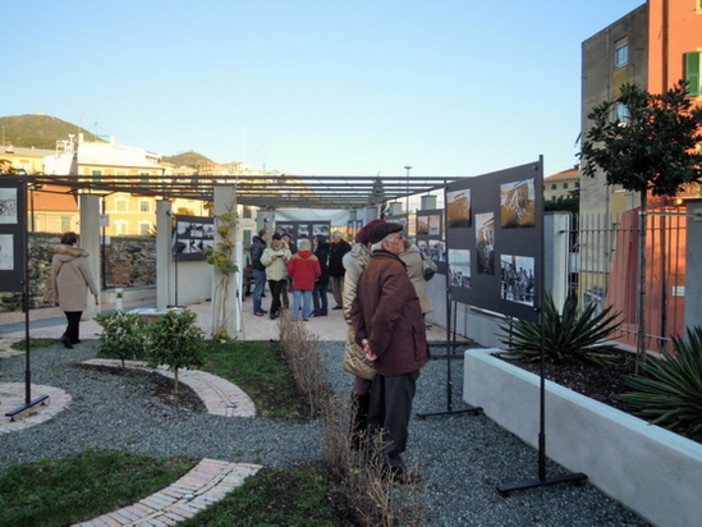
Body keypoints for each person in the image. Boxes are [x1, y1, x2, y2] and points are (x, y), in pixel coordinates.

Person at [350, 222, 430, 483]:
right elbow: (387, 314)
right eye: (399, 237)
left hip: (385, 352)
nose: (404, 242)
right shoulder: (393, 268)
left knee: (379, 407)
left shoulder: (371, 268)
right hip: (399, 353)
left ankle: (375, 457)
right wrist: (374, 345)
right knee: (396, 411)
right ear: (386, 243)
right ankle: (391, 468)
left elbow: (356, 311)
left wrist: (365, 341)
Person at [342, 219, 384, 447]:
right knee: (364, 381)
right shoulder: (355, 262)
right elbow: (349, 304)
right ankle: (357, 435)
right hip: (364, 333)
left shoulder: (384, 259)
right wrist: (363, 333)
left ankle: (374, 433)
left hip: (382, 331)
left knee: (379, 382)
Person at [50, 232, 99, 349]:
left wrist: (55, 290)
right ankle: (66, 336)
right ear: (74, 242)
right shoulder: (80, 257)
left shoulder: (56, 257)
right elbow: (88, 275)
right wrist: (94, 291)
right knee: (76, 314)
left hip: (63, 288)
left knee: (70, 314)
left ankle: (74, 338)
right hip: (78, 289)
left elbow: (53, 275)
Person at [399, 241, 438, 316]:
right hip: (421, 292)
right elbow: (434, 267)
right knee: (420, 321)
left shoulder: (399, 258)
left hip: (406, 294)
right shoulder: (418, 253)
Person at [286, 238, 320, 321]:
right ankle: (305, 316)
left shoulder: (294, 257)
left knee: (296, 299)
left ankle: (295, 316)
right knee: (307, 299)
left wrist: (291, 276)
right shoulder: (314, 258)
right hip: (309, 281)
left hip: (297, 280)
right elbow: (318, 271)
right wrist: (315, 277)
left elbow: (290, 269)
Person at [261, 233, 292, 320]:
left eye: (278, 242)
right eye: (275, 242)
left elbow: (291, 263)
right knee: (275, 295)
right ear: (272, 241)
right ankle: (278, 308)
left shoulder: (287, 251)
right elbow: (263, 261)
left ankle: (272, 312)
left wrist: (285, 259)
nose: (276, 244)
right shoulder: (267, 250)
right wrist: (271, 259)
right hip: (271, 275)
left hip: (282, 275)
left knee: (277, 293)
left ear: (281, 242)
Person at [329, 230, 351, 310]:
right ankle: (339, 303)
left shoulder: (346, 246)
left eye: (334, 237)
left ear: (338, 237)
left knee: (343, 289)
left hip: (343, 271)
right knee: (335, 289)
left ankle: (345, 304)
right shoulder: (332, 246)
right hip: (334, 271)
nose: (333, 239)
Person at [250, 228, 269, 316]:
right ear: (264, 235)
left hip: (260, 269)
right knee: (258, 290)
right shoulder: (259, 245)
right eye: (267, 233)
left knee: (260, 290)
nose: (268, 235)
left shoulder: (260, 244)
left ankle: (258, 308)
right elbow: (255, 258)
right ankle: (256, 309)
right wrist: (261, 266)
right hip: (259, 269)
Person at [311, 234, 331, 317]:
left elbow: (320, 263)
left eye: (315, 239)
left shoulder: (320, 250)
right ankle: (324, 310)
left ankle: (317, 310)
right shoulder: (327, 249)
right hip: (326, 273)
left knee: (315, 292)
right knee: (323, 293)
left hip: (320, 273)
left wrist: (317, 274)